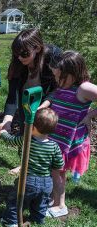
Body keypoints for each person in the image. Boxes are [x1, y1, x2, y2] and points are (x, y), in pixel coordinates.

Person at [0, 28, 61, 174]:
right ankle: (24, 163)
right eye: (16, 54)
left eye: (24, 53)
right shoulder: (17, 64)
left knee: (43, 134)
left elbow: (57, 88)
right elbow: (12, 97)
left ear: (37, 48)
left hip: (45, 102)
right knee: (25, 132)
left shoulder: (52, 58)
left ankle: (46, 166)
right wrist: (7, 121)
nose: (19, 58)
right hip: (27, 100)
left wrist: (43, 106)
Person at [38, 51, 97, 218]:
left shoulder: (83, 88)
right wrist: (44, 105)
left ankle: (60, 205)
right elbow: (54, 97)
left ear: (73, 73)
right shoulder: (64, 86)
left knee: (58, 172)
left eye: (60, 77)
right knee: (55, 171)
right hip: (58, 137)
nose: (57, 81)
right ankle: (53, 198)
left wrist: (89, 115)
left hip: (68, 141)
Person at [0, 108, 64, 227]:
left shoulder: (27, 139)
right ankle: (38, 220)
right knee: (40, 203)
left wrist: (3, 133)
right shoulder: (54, 146)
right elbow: (59, 165)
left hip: (28, 180)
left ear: (32, 126)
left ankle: (10, 221)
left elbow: (11, 141)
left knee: (16, 201)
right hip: (46, 183)